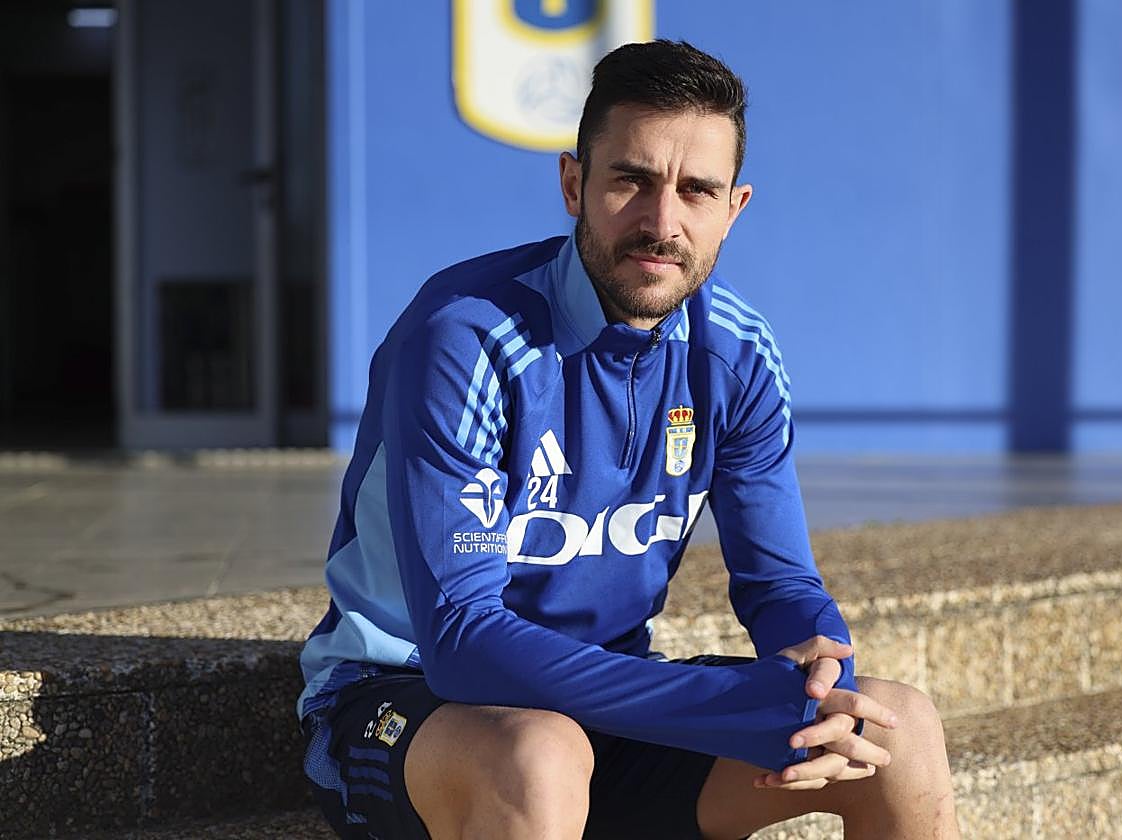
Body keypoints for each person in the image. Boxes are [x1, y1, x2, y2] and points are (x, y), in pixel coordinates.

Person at [298, 39, 960, 840]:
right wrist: (726, 708)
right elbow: (463, 643)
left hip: (608, 702)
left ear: (734, 208)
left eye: (696, 190)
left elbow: (780, 585)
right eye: (632, 181)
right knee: (540, 757)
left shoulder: (738, 353)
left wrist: (824, 687)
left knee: (900, 731)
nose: (662, 221)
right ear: (574, 184)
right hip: (411, 703)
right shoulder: (465, 336)